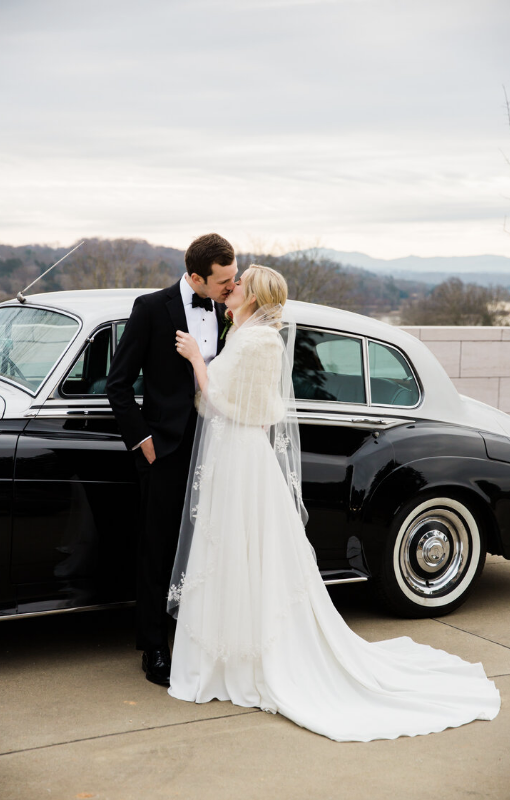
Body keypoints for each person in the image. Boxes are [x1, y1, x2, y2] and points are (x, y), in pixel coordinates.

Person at [166, 263, 500, 742]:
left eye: (239, 283)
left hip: (241, 457)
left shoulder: (260, 342)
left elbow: (240, 406)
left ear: (254, 295)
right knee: (228, 550)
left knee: (247, 547)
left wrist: (198, 361)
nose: (231, 286)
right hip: (230, 456)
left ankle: (248, 656)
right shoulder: (242, 331)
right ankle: (224, 653)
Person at [106, 233, 237, 685]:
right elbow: (117, 385)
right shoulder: (151, 308)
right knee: (157, 549)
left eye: (233, 277)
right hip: (165, 451)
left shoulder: (229, 312)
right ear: (196, 276)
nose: (230, 286)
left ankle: (197, 637)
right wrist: (143, 439)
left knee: (208, 547)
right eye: (223, 280)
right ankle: (154, 648)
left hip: (219, 447)